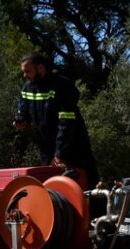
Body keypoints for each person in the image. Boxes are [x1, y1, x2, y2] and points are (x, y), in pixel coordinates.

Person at [14, 52, 99, 190]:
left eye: (28, 71)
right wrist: (21, 119)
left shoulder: (61, 85)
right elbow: (23, 109)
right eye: (23, 72)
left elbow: (67, 122)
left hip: (73, 147)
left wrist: (60, 153)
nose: (25, 75)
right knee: (52, 189)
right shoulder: (27, 88)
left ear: (40, 68)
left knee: (85, 187)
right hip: (47, 149)